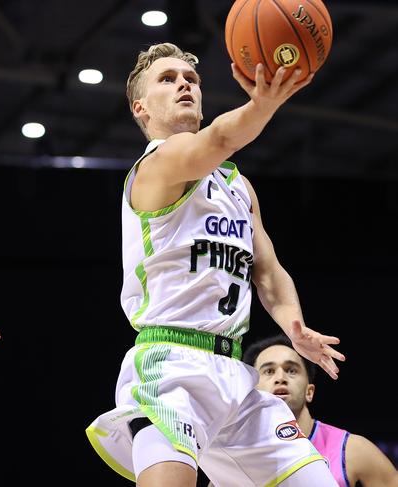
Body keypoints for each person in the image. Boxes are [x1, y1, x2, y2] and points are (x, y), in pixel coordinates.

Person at [85, 42, 346, 487]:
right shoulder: (157, 165)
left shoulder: (237, 185)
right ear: (141, 107)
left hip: (236, 378)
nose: (184, 84)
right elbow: (221, 139)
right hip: (171, 370)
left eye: (192, 79)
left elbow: (268, 271)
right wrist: (263, 104)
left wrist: (294, 325)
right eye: (167, 79)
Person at [243, 334, 398, 487]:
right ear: (252, 392)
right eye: (269, 371)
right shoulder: (235, 456)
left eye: (291, 370)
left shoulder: (351, 450)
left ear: (309, 392)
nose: (280, 377)